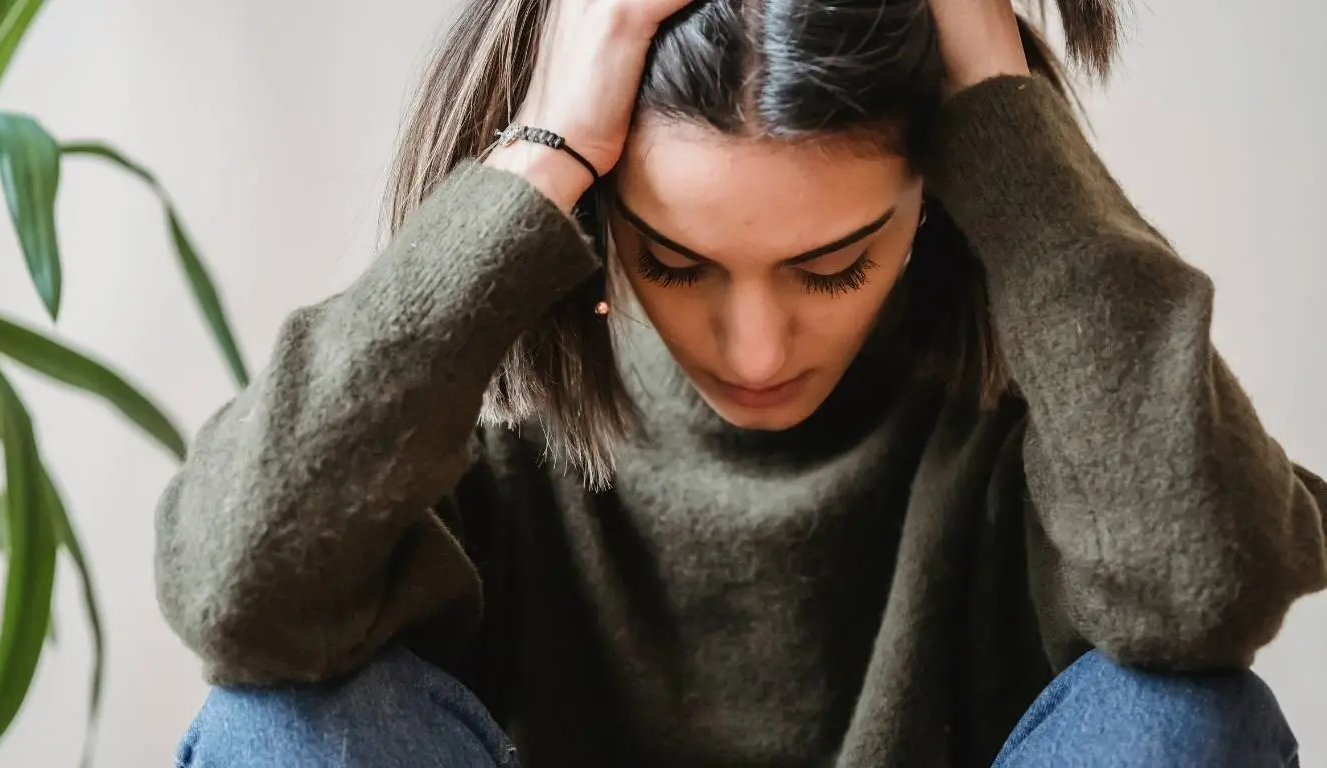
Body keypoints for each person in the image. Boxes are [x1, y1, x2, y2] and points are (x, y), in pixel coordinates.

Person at [158, 0, 1326, 764]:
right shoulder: (465, 425)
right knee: (280, 727)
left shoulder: (1064, 425)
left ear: (932, 202)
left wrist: (1002, 111)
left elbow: (1200, 590)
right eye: (674, 261)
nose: (754, 351)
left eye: (833, 267)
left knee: (1190, 719)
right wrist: (546, 145)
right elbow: (237, 592)